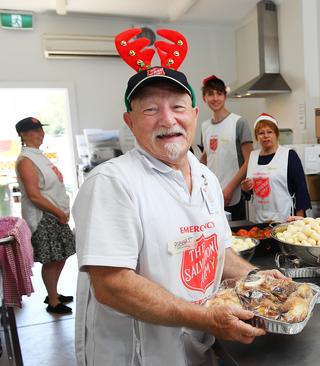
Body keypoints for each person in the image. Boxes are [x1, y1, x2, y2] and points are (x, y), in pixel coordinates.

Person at [73, 28, 281, 365]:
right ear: (130, 121)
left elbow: (218, 253)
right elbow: (111, 285)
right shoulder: (112, 183)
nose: (168, 119)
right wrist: (204, 318)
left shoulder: (206, 179)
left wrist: (253, 278)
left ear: (195, 115)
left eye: (178, 106)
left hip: (195, 347)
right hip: (138, 356)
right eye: (150, 109)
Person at [14, 117, 75, 314]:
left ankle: (53, 292)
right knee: (52, 258)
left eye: (40, 129)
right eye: (34, 130)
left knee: (62, 255)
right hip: (44, 216)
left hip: (56, 214)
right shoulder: (25, 160)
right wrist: (58, 212)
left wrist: (61, 212)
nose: (40, 133)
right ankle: (53, 301)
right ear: (23, 134)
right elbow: (34, 195)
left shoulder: (38, 155)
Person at [199, 75, 253, 220]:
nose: (215, 98)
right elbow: (207, 155)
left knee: (236, 239)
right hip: (211, 193)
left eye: (219, 93)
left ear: (225, 96)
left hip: (234, 194)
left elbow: (249, 161)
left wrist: (229, 189)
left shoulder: (239, 123)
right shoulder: (205, 126)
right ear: (204, 97)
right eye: (210, 94)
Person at [241, 113, 311, 222]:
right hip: (259, 219)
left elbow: (301, 189)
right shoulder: (253, 157)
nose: (265, 136)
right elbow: (251, 191)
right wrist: (246, 188)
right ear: (256, 137)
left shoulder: (289, 155)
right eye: (261, 133)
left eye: (270, 132)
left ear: (276, 134)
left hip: (286, 217)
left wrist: (299, 219)